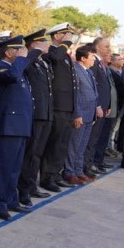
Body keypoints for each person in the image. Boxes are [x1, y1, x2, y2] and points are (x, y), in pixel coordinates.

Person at [0, 36, 34, 220]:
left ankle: (11, 200)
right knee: (4, 167)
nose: (22, 53)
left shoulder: (17, 68)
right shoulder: (2, 68)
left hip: (20, 125)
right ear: (8, 53)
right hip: (9, 126)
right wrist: (22, 59)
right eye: (18, 50)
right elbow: (12, 76)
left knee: (15, 168)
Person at [40, 23, 78, 192]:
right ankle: (47, 177)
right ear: (57, 36)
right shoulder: (52, 51)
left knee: (62, 143)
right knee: (54, 143)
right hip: (57, 105)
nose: (70, 37)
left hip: (67, 105)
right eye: (66, 34)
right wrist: (66, 44)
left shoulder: (64, 54)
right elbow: (54, 58)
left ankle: (55, 174)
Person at [17, 29, 54, 204]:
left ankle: (31, 185)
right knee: (30, 154)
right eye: (43, 41)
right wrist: (33, 53)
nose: (47, 44)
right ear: (34, 44)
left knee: (37, 153)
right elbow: (22, 68)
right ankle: (23, 189)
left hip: (46, 113)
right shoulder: (29, 61)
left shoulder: (43, 63)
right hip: (35, 113)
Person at [63, 44, 101, 185]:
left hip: (89, 113)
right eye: (92, 57)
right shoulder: (75, 70)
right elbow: (75, 94)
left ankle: (78, 171)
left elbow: (93, 92)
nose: (94, 60)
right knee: (74, 145)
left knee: (82, 146)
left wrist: (96, 109)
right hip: (80, 114)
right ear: (83, 58)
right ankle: (69, 172)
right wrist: (77, 114)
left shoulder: (88, 71)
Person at [85, 37, 114, 176]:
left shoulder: (101, 64)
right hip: (96, 107)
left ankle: (91, 164)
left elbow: (105, 87)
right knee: (91, 139)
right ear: (97, 47)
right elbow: (92, 87)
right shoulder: (94, 63)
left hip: (103, 107)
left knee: (96, 138)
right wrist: (98, 105)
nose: (109, 49)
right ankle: (86, 166)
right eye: (106, 46)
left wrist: (108, 104)